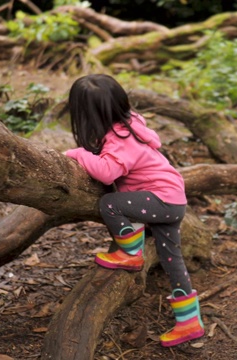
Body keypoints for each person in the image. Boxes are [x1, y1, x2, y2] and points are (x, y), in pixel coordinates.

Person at [64, 74, 204, 347]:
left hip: (161, 199)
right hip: (172, 197)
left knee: (111, 203)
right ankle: (190, 322)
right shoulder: (130, 123)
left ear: (84, 113)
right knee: (172, 260)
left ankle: (130, 253)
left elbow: (107, 173)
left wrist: (79, 153)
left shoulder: (119, 139)